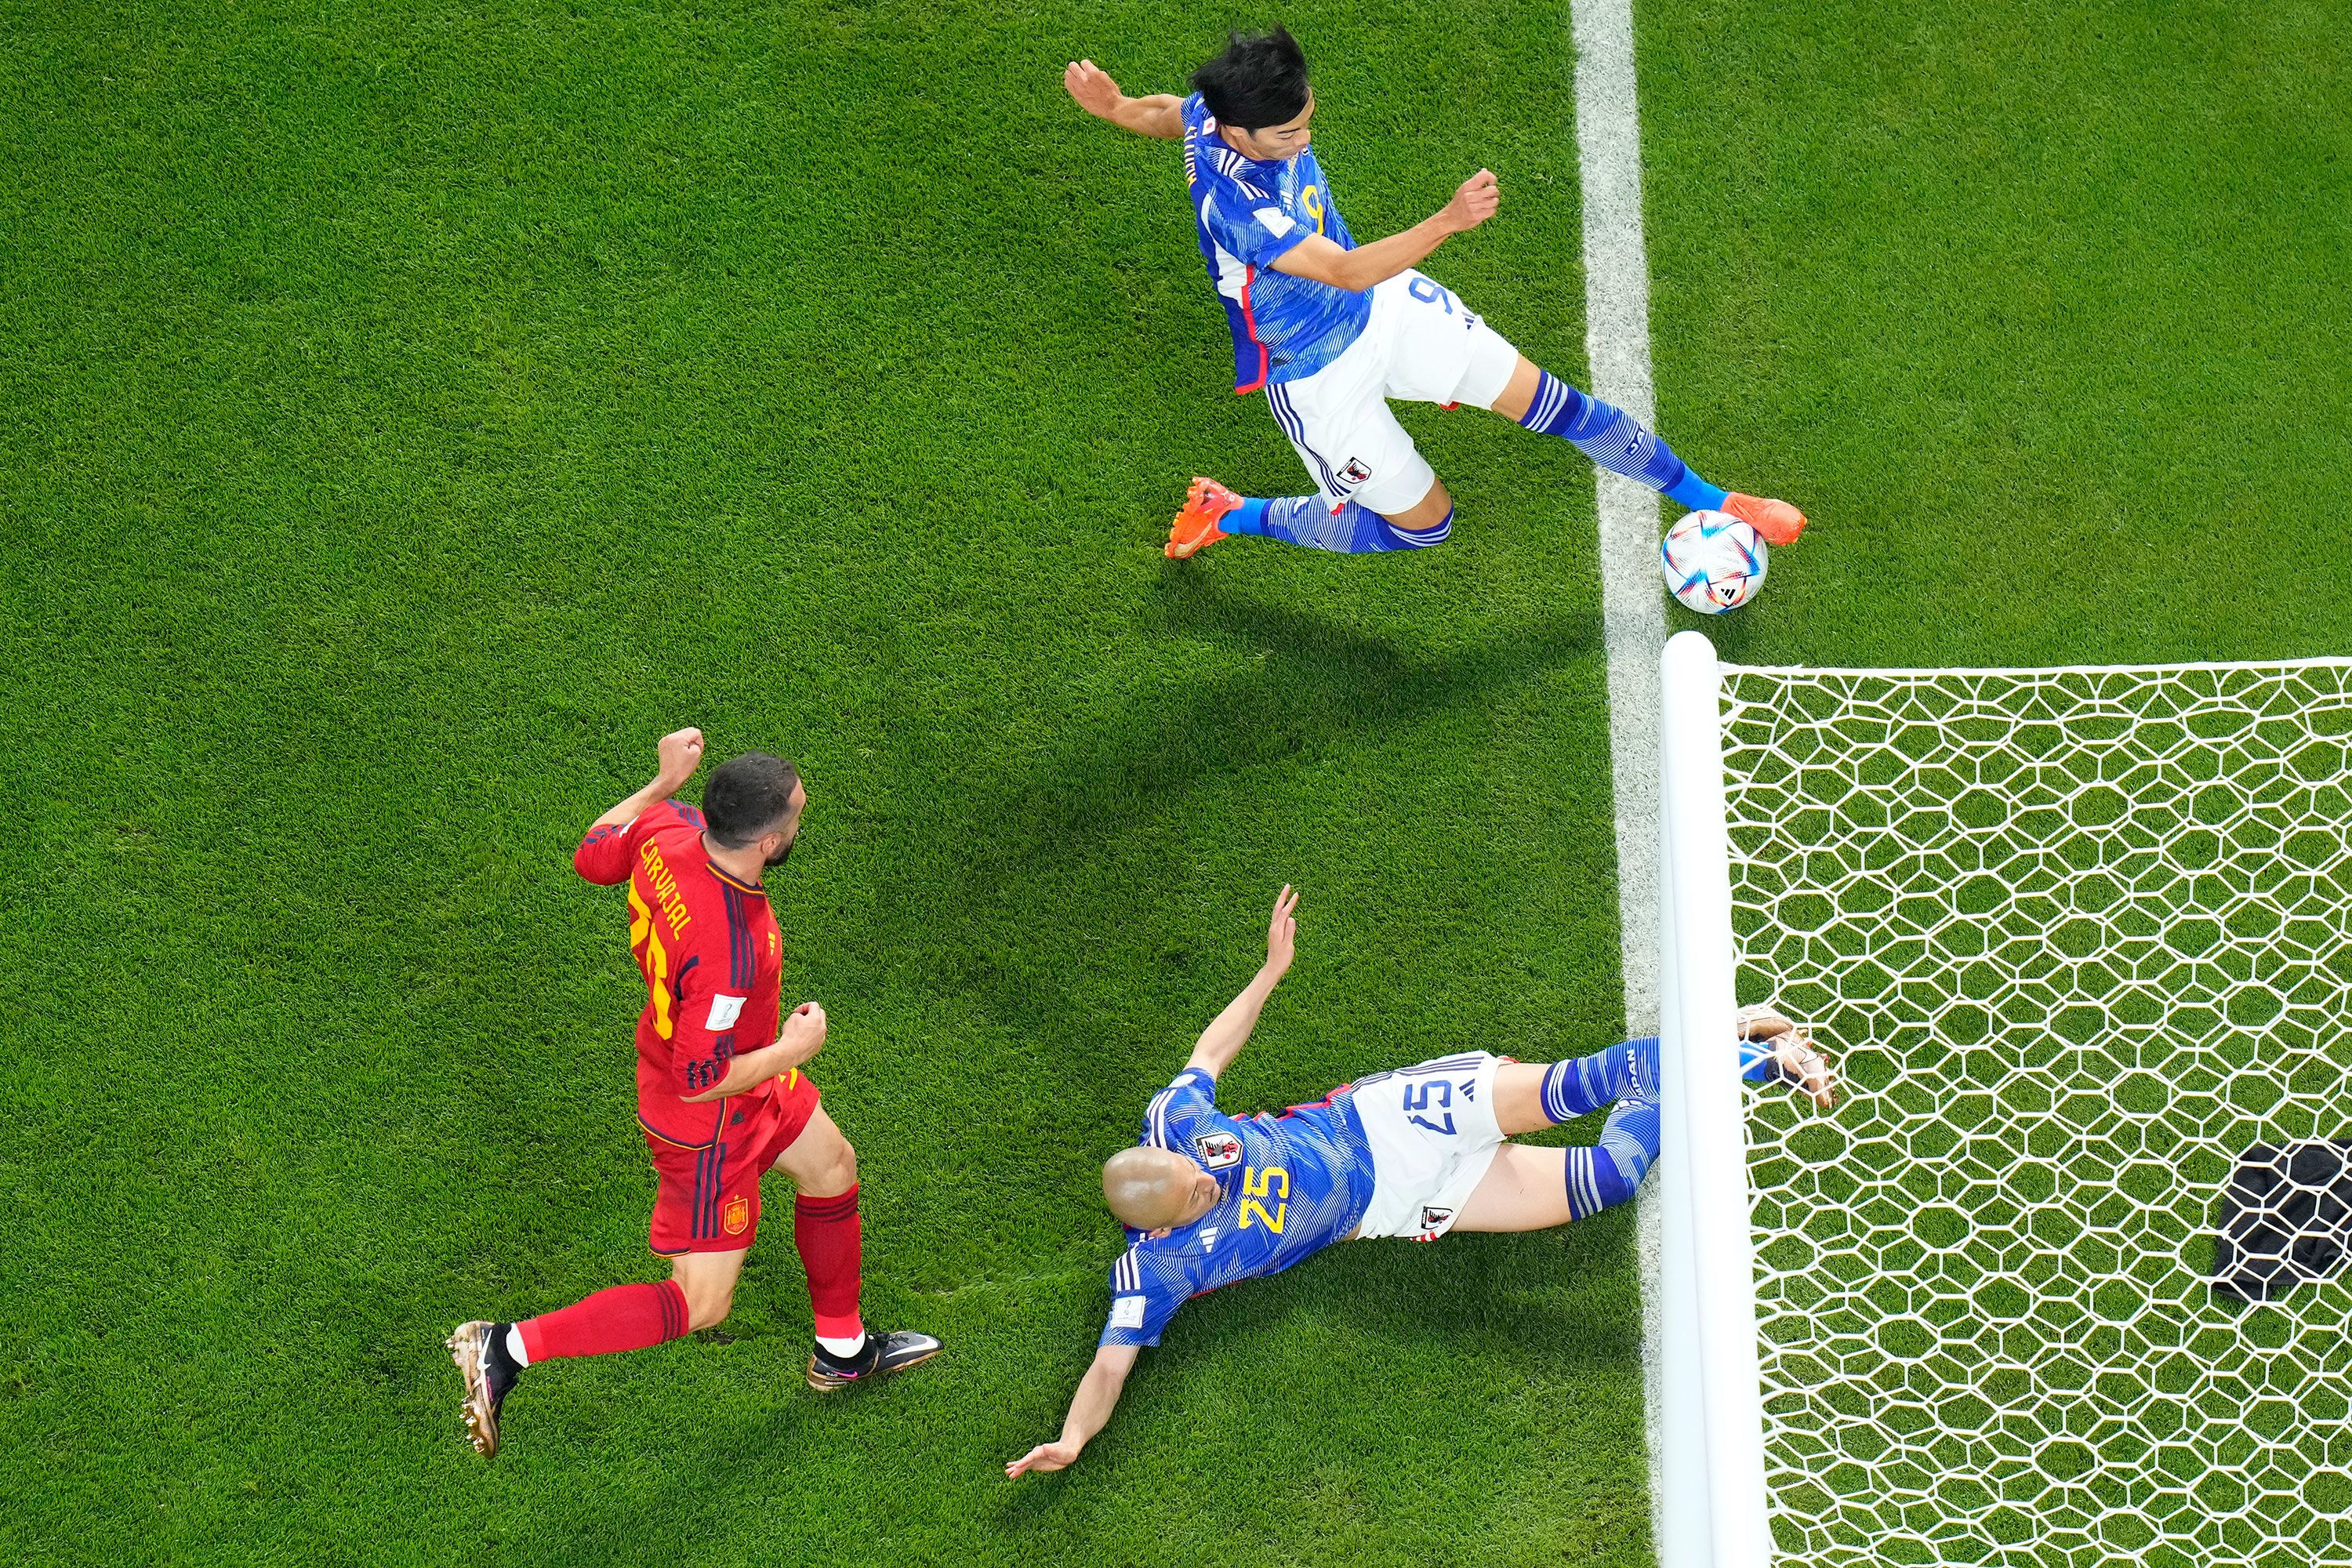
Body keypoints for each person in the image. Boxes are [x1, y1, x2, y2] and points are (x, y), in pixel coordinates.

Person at [1004, 885, 1830, 1476]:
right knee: (1610, 1177)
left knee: (1576, 1083)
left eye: (1199, 1164)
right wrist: (1073, 1439)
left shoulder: (1178, 1123)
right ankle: (1701, 1054)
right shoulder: (1156, 1271)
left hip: (1389, 1118)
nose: (1209, 1175)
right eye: (1197, 1192)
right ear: (1164, 1226)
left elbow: (1208, 1054)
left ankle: (1759, 1059)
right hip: (1395, 1204)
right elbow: (1110, 1363)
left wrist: (1267, 974)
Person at [1062, 28, 1809, 560]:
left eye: (1306, 120)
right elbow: (1345, 270)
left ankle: (1717, 500)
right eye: (1287, 134)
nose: (1303, 138)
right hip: (1316, 377)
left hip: (1385, 308)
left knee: (1556, 404)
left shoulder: (1220, 115)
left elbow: (1175, 115)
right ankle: (1230, 514)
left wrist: (1116, 105)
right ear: (1239, 132)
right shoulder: (1233, 204)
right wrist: (1449, 222)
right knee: (1424, 528)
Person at [448, 728, 940, 1458]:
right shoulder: (733, 947)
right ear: (769, 841)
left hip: (749, 1087)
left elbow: (592, 856)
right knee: (701, 1303)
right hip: (709, 1127)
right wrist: (792, 1049)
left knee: (832, 1164)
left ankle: (843, 1350)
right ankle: (507, 1348)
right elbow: (701, 1078)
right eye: (796, 816)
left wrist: (658, 783)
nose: (801, 821)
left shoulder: (667, 826)